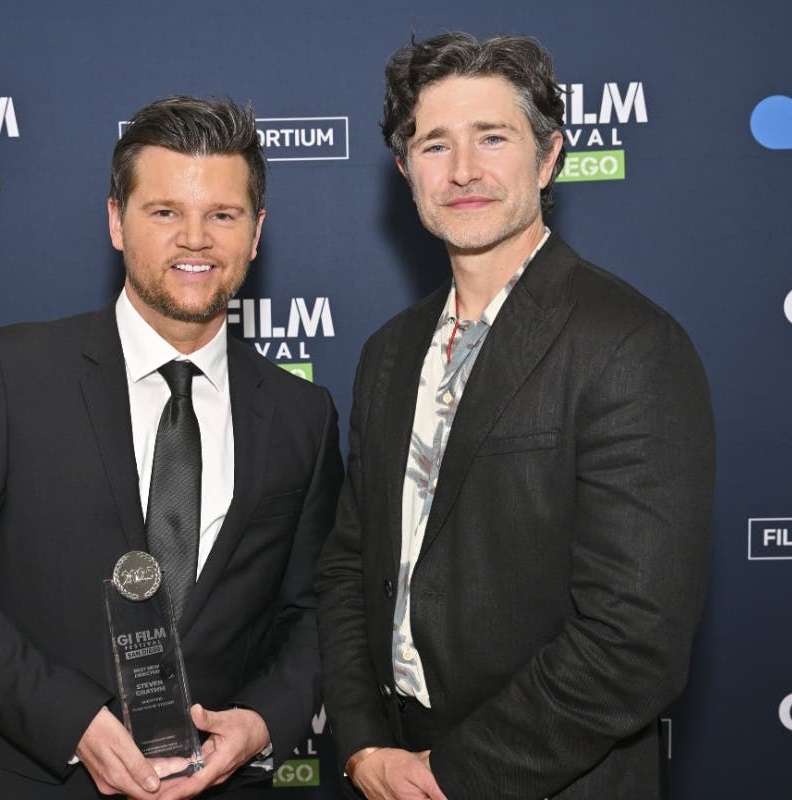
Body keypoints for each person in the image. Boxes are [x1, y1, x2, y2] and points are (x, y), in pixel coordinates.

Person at [0, 95, 342, 800]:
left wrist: (260, 721)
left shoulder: (301, 413)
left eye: (222, 214)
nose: (195, 239)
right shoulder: (12, 372)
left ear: (255, 233)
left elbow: (311, 610)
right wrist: (71, 722)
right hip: (37, 777)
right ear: (115, 222)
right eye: (164, 212)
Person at [316, 32, 715, 800]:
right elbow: (348, 565)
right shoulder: (388, 353)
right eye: (434, 145)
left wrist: (452, 777)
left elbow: (632, 641)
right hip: (390, 770)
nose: (462, 170)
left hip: (543, 779)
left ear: (548, 155)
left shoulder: (629, 343)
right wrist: (363, 742)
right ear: (405, 172)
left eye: (491, 138)